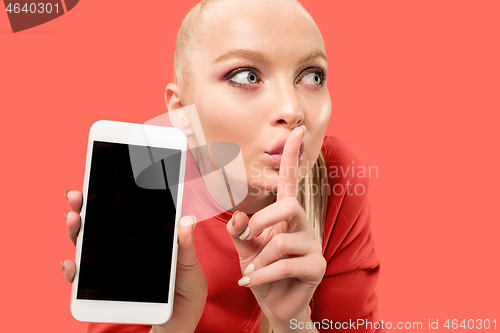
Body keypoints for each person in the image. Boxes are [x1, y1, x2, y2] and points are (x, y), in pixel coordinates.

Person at [62, 0, 382, 332]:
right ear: (183, 113)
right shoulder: (139, 182)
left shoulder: (335, 174)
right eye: (246, 76)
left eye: (312, 76)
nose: (292, 108)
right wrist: (171, 328)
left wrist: (293, 322)